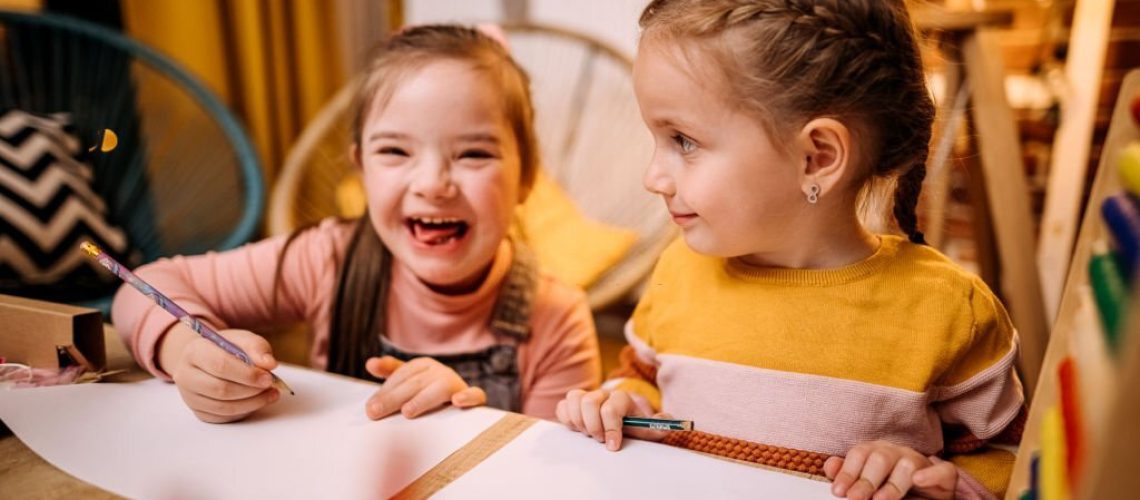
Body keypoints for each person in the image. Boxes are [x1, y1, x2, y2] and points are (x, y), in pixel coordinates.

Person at [555, 2, 1023, 499]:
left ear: (816, 157)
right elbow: (644, 383)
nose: (653, 178)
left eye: (683, 141)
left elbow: (1013, 461)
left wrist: (942, 482)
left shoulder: (949, 311)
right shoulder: (679, 271)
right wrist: (620, 404)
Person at [113, 24, 601, 425]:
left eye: (473, 153)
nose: (432, 183)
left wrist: (466, 422)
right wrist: (186, 349)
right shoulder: (325, 259)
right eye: (394, 151)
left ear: (526, 179)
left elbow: (552, 475)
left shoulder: (557, 321)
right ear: (361, 169)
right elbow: (142, 286)